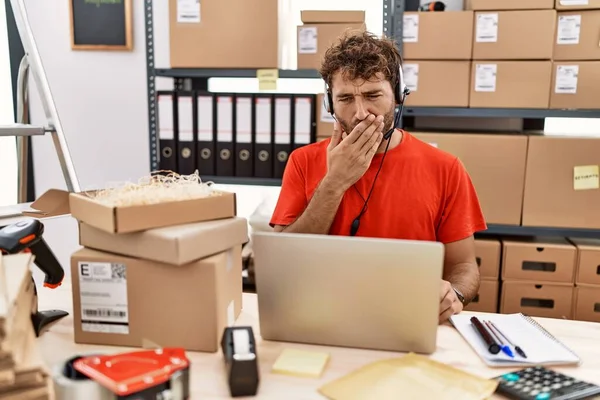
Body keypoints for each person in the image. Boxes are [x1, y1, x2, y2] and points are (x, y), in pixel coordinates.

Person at [269, 30, 488, 324]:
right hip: (319, 318)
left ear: (397, 97)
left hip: (408, 320)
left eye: (373, 95)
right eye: (345, 98)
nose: (360, 113)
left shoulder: (445, 168)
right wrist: (334, 182)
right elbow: (282, 262)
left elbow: (464, 265)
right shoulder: (303, 161)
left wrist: (455, 295)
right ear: (330, 105)